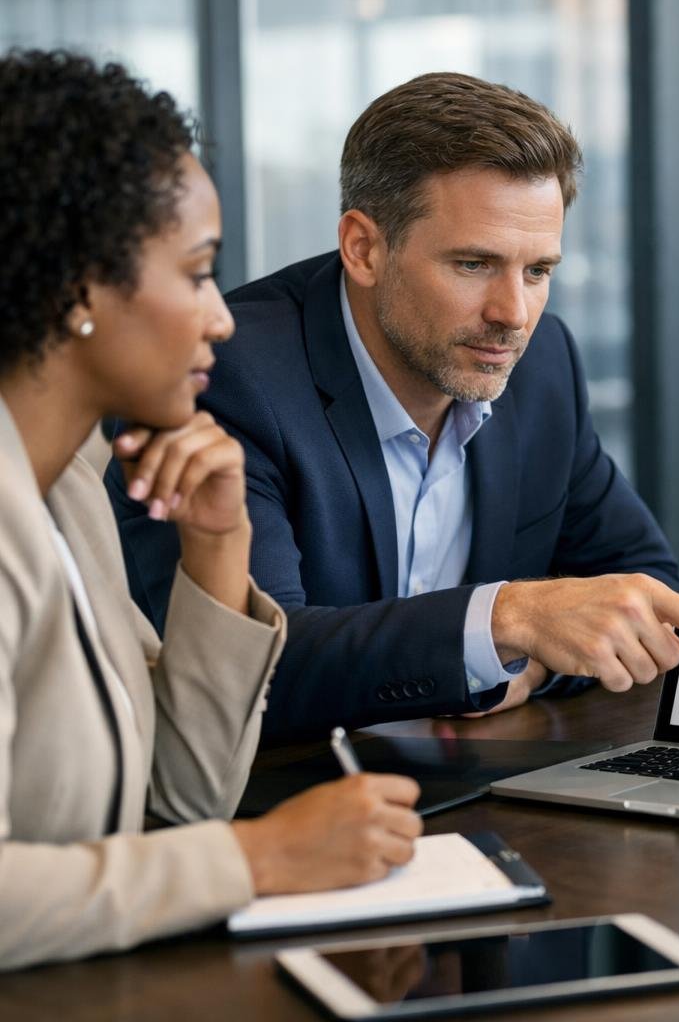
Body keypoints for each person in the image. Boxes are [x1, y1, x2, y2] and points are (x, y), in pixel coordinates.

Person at [111, 72, 679, 742]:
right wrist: (506, 620)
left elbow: (643, 587)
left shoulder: (542, 365)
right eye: (474, 265)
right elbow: (252, 670)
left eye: (538, 271)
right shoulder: (222, 375)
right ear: (364, 249)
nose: (513, 314)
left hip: (473, 768)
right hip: (285, 786)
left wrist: (526, 666)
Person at [0, 50, 423, 970]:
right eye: (197, 274)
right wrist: (260, 859)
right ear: (77, 287)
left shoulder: (68, 489)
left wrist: (218, 550)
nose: (221, 317)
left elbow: (179, 807)